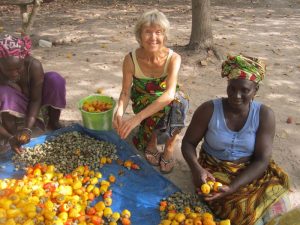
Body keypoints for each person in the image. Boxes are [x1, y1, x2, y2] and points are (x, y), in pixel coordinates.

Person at [181, 55, 290, 225]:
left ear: (256, 90)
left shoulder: (264, 115)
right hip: (214, 168)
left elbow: (262, 159)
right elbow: (188, 143)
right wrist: (196, 169)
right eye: (231, 88)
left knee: (280, 200)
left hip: (250, 169)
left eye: (245, 90)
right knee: (235, 208)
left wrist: (234, 186)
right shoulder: (208, 109)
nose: (236, 95)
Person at [113, 9, 189, 174]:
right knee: (152, 104)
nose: (153, 37)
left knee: (179, 101)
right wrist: (119, 112)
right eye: (148, 32)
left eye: (158, 32)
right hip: (142, 99)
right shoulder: (130, 59)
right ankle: (151, 141)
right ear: (139, 35)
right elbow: (125, 92)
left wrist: (136, 119)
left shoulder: (174, 58)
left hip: (165, 97)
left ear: (164, 35)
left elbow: (169, 94)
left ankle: (169, 146)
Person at [0, 34, 66, 154]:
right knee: (3, 92)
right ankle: (13, 136)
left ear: (23, 59)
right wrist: (10, 137)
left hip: (37, 104)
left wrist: (27, 130)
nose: (14, 74)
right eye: (8, 70)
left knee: (55, 79)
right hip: (12, 108)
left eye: (18, 68)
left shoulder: (33, 65)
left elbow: (35, 100)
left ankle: (53, 123)